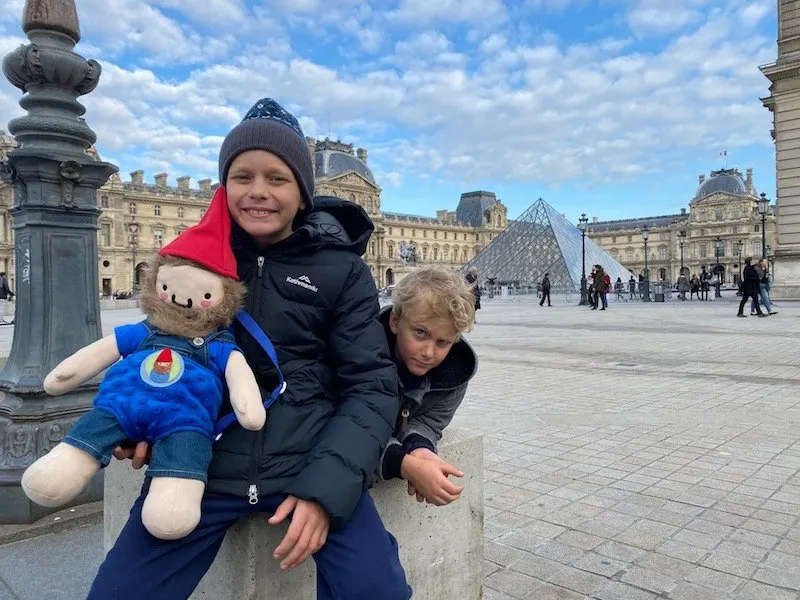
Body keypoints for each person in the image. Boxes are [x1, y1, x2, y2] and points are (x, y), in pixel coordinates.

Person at [93, 98, 411, 600]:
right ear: (224, 187)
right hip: (200, 462)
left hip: (311, 459)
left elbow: (372, 385)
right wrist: (138, 421)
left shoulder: (343, 271)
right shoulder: (193, 263)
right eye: (242, 177)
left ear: (303, 192)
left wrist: (327, 490)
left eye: (277, 178)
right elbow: (158, 358)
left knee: (377, 590)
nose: (258, 192)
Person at [377, 266, 477, 506]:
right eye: (420, 333)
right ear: (394, 321)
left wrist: (420, 449)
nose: (429, 352)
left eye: (443, 342)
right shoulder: (358, 356)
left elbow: (429, 422)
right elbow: (343, 425)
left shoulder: (454, 377)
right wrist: (404, 464)